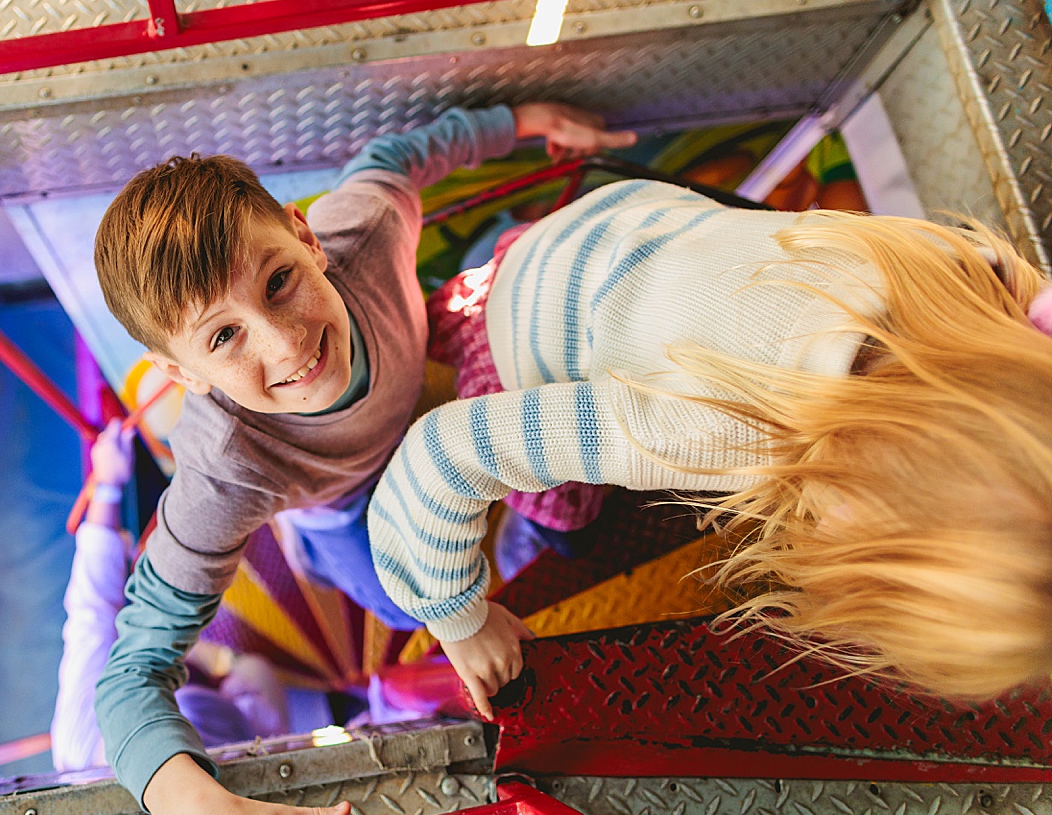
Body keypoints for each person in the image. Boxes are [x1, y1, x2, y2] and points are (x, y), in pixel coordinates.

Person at [90, 104, 636, 815]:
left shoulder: (368, 233)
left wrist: (525, 119)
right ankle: (329, 551)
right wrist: (192, 811)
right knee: (399, 597)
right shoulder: (225, 468)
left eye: (279, 281)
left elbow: (402, 152)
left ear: (307, 235)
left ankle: (536, 524)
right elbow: (130, 670)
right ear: (186, 376)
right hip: (347, 508)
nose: (286, 344)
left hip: (428, 383)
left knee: (561, 485)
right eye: (224, 336)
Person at [368, 178, 1052, 718]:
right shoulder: (713, 425)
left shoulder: (966, 278)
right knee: (570, 522)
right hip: (521, 331)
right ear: (858, 490)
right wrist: (460, 617)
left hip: (612, 225)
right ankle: (529, 541)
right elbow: (444, 450)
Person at [52, 419, 289, 773]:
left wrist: (108, 487)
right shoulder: (81, 750)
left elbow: (93, 611)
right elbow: (93, 611)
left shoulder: (81, 753)